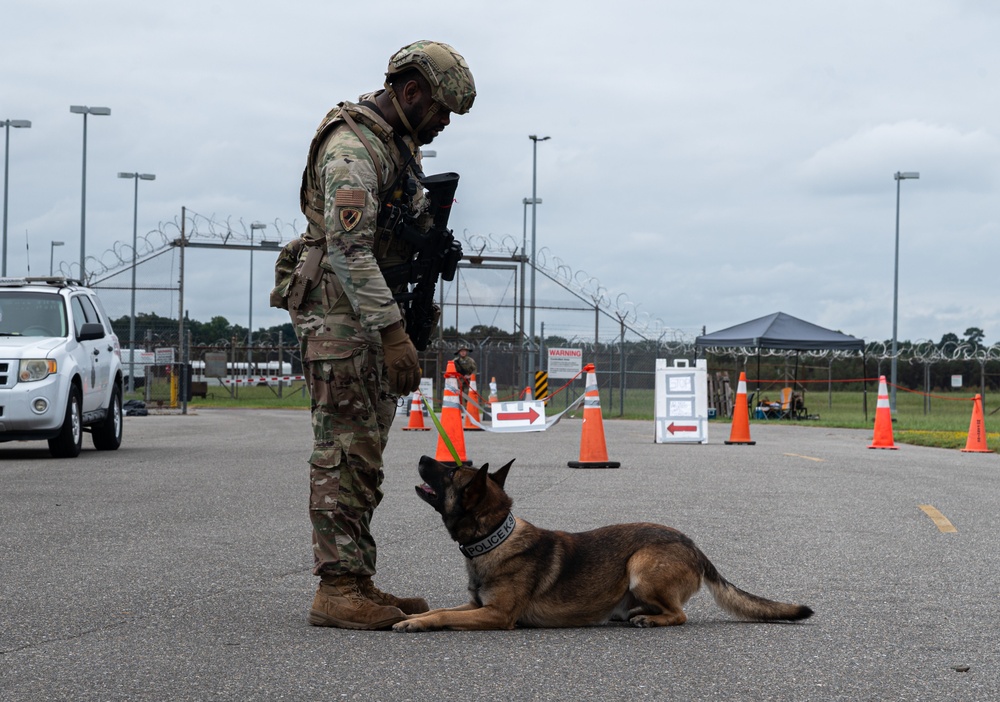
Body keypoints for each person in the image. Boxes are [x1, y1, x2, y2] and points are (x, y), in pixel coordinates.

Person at [270, 41, 476, 630]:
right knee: (344, 450)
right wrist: (392, 335)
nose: (441, 123)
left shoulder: (395, 147)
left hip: (366, 312)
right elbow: (349, 248)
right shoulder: (353, 151)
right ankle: (336, 589)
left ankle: (355, 578)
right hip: (342, 316)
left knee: (365, 452)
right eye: (440, 110)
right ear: (411, 93)